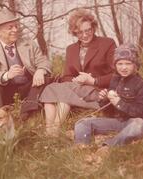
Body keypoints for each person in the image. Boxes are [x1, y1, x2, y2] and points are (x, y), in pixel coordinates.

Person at [39, 8, 116, 136]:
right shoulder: (71, 49)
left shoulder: (107, 43)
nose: (85, 35)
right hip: (78, 90)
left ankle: (54, 130)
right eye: (79, 32)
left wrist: (93, 80)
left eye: (88, 30)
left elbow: (117, 74)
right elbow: (66, 76)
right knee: (50, 88)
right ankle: (49, 130)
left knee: (62, 94)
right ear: (74, 32)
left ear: (94, 28)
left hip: (99, 93)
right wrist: (76, 80)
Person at [0, 8, 52, 119]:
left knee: (44, 78)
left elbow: (44, 61)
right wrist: (6, 75)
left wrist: (40, 70)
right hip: (4, 91)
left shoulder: (29, 44)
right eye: (10, 27)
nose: (15, 30)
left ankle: (25, 115)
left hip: (29, 89)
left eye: (16, 26)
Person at [74, 44, 143, 147]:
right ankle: (83, 147)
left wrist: (119, 103)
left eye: (128, 63)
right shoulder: (115, 79)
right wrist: (103, 99)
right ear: (115, 65)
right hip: (115, 122)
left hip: (132, 122)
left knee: (139, 125)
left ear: (135, 65)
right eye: (120, 64)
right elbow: (108, 111)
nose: (123, 67)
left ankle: (108, 147)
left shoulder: (140, 84)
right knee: (82, 123)